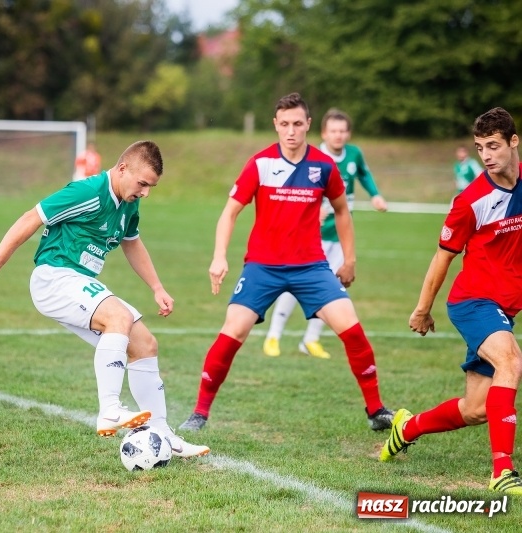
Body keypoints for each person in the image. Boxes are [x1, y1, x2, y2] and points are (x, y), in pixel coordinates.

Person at [0, 140, 209, 458]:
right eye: (143, 184)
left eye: (151, 187)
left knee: (144, 344)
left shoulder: (129, 202)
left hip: (78, 282)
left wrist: (157, 287)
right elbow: (32, 217)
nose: (145, 193)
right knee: (119, 318)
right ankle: (110, 410)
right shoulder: (86, 191)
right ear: (123, 168)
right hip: (53, 278)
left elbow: (132, 243)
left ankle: (163, 434)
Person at [178, 93, 394, 432]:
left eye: (297, 124)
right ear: (275, 126)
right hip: (262, 266)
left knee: (352, 329)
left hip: (311, 267)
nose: (291, 131)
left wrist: (349, 259)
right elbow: (230, 211)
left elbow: (341, 210)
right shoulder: (260, 164)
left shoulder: (324, 166)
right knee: (232, 330)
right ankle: (199, 413)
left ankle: (376, 410)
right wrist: (219, 256)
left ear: (308, 124)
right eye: (284, 124)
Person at [380, 107, 522, 495]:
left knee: (477, 408)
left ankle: (407, 427)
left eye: (493, 146)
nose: (487, 155)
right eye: (480, 148)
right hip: (473, 302)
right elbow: (443, 256)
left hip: (504, 308)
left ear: (514, 142)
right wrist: (422, 309)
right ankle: (502, 472)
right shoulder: (472, 201)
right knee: (511, 360)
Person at [263, 108, 388, 360]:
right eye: (333, 131)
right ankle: (273, 335)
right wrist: (315, 210)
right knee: (293, 285)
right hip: (311, 238)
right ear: (323, 133)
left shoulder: (354, 154)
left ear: (348, 133)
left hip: (340, 237)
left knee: (333, 289)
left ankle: (311, 339)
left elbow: (363, 173)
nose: (338, 136)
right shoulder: (313, 158)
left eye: (343, 131)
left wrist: (374, 194)